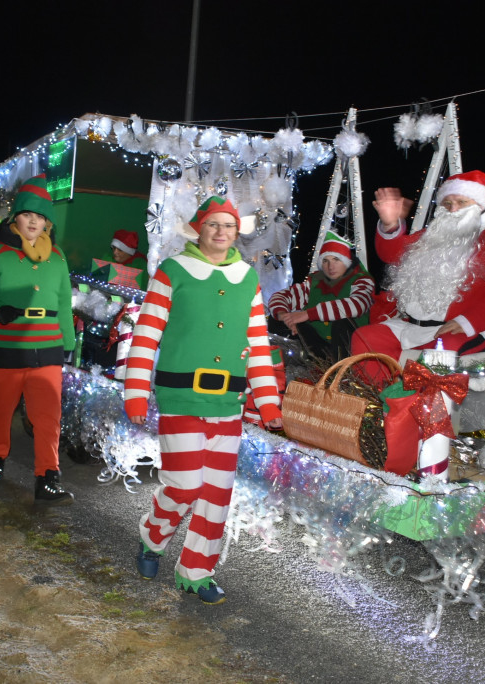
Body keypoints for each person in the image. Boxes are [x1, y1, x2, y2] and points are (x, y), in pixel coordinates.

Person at [124, 196, 283, 605]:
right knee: (185, 484)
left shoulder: (247, 279)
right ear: (199, 229)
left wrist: (267, 400)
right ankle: (152, 535)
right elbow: (146, 335)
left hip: (228, 401)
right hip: (181, 397)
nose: (220, 232)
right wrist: (136, 390)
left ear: (236, 233)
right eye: (213, 224)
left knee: (216, 492)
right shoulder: (172, 271)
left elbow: (258, 343)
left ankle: (196, 571)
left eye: (227, 226)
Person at [350, 170, 485, 380]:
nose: (453, 209)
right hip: (413, 327)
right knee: (365, 337)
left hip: (466, 329)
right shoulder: (431, 235)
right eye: (446, 203)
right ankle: (378, 402)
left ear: (480, 205)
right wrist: (390, 224)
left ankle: (423, 411)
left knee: (441, 352)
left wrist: (467, 322)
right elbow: (393, 254)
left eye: (461, 201)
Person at [0, 175, 76, 504]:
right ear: (16, 217)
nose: (34, 221)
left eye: (40, 216)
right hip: (6, 346)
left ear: (47, 222)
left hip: (48, 348)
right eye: (28, 215)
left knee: (48, 417)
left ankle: (47, 479)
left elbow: (62, 304)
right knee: (1, 411)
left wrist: (68, 345)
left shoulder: (57, 259)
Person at [267, 229, 375, 360]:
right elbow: (281, 296)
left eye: (336, 259)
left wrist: (307, 314)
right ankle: (283, 367)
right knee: (275, 319)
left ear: (346, 261)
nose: (330, 266)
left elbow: (358, 305)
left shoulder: (361, 280)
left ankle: (342, 374)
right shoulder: (315, 282)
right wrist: (285, 317)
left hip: (351, 349)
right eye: (325, 261)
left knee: (342, 323)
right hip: (319, 346)